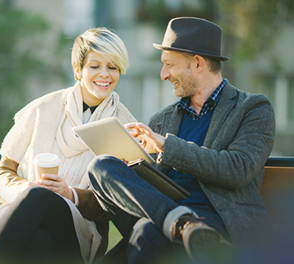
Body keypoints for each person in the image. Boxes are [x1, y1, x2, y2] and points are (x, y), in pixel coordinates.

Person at [88, 17, 276, 264]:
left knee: (146, 234)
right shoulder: (162, 119)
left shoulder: (252, 109)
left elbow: (238, 169)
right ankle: (182, 223)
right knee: (101, 166)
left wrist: (166, 146)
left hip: (220, 225)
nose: (163, 74)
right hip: (162, 217)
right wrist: (134, 167)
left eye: (169, 64)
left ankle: (185, 226)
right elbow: (152, 189)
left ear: (198, 64)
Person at [0, 27, 136, 264]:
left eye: (113, 67)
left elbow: (116, 204)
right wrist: (27, 190)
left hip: (78, 234)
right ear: (78, 70)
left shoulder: (124, 126)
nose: (105, 75)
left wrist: (70, 194)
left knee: (41, 202)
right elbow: (3, 171)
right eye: (95, 66)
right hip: (24, 221)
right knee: (40, 239)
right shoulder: (43, 108)